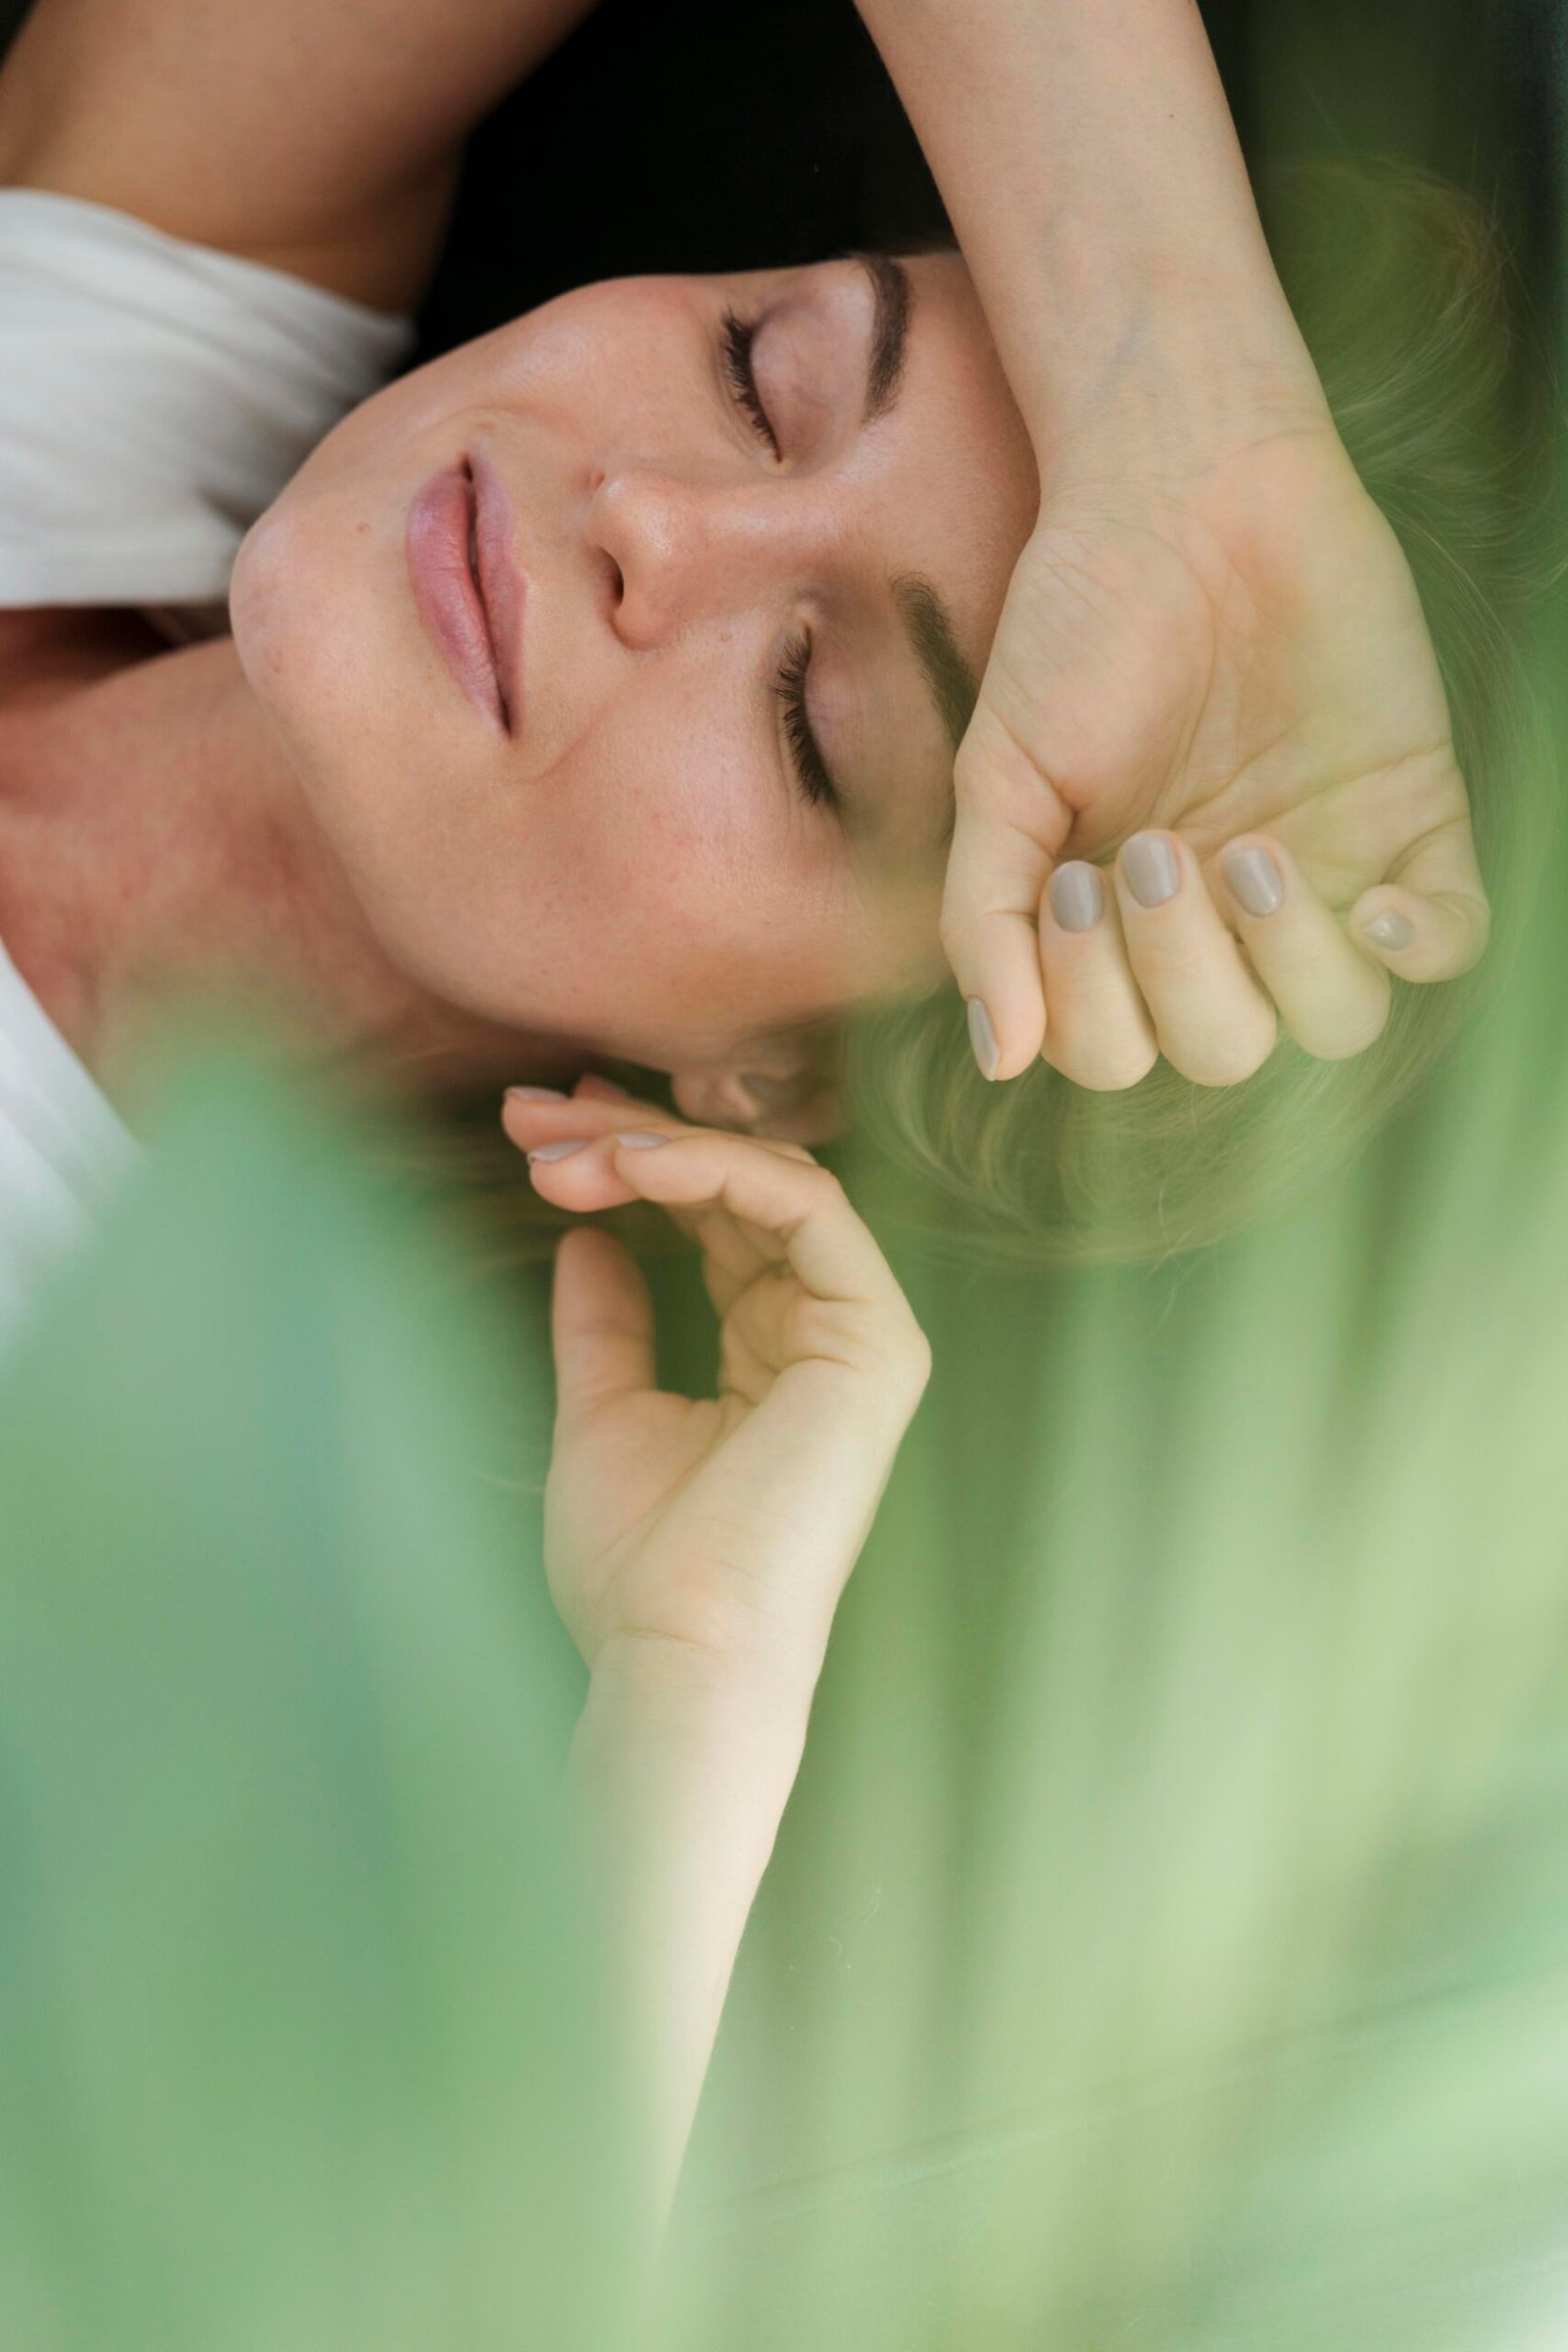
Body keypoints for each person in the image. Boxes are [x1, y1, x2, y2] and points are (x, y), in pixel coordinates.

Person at [0, 0, 1532, 2239]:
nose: (647, 521)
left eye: (819, 718)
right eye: (761, 369)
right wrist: (1182, 430)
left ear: (785, 1083)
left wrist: (686, 1710)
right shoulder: (102, 332)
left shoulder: (134, 1571)